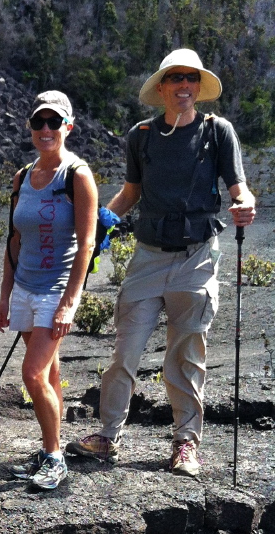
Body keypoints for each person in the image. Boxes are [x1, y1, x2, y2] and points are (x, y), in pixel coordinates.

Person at [66, 49, 257, 477]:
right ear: (163, 87)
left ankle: (185, 445)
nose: (184, 86)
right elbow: (131, 191)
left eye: (191, 78)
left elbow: (239, 188)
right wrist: (103, 225)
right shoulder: (142, 135)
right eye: (176, 79)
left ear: (198, 87)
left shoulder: (217, 133)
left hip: (197, 258)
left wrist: (244, 204)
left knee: (186, 354)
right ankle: (108, 436)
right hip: (148, 256)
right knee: (124, 351)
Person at [0, 90, 98, 490]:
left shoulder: (77, 176)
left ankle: (55, 457)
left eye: (54, 122)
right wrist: (5, 297)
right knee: (50, 373)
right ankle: (48, 449)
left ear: (67, 127)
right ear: (30, 127)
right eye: (39, 122)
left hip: (55, 290)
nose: (45, 129)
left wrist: (70, 304)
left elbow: (86, 245)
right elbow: (13, 241)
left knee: (32, 373)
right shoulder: (23, 177)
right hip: (25, 287)